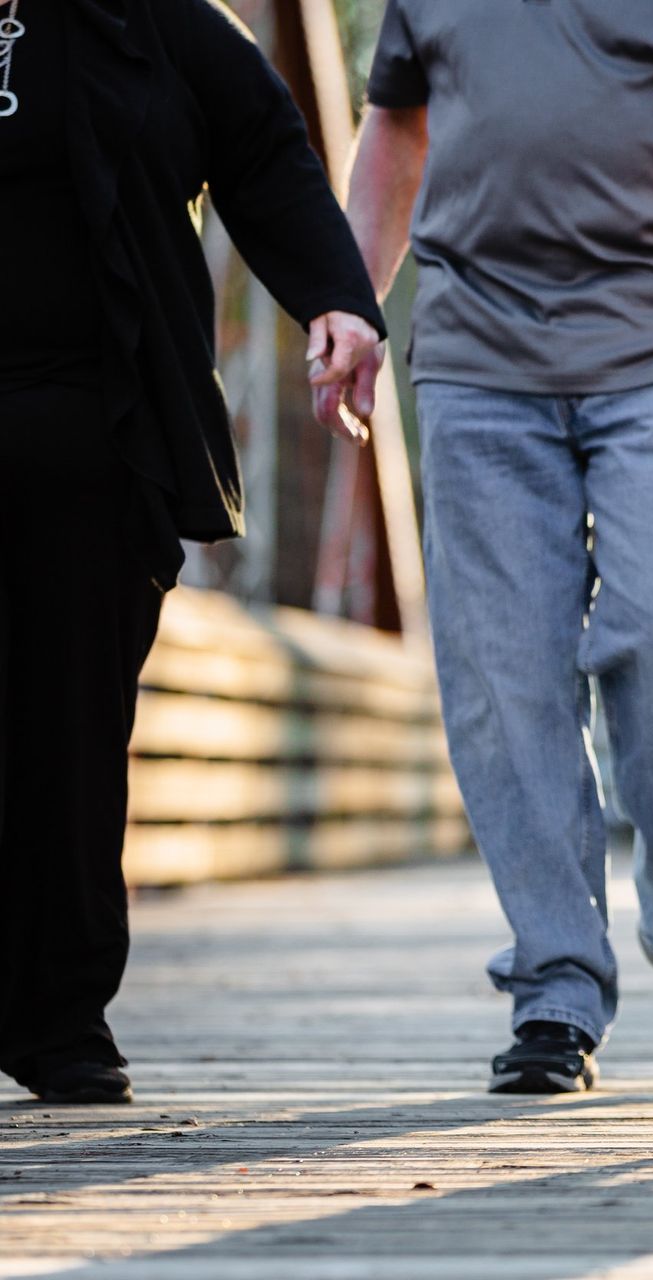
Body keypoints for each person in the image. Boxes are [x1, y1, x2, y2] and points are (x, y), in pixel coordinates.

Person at [345, 0, 653, 1093]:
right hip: (478, 350)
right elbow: (396, 126)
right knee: (504, 667)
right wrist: (352, 297)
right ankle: (556, 985)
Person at [0, 0, 386, 1104]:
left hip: (100, 432)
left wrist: (335, 300)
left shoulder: (155, 21)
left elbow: (264, 146)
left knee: (74, 730)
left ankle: (60, 1016)